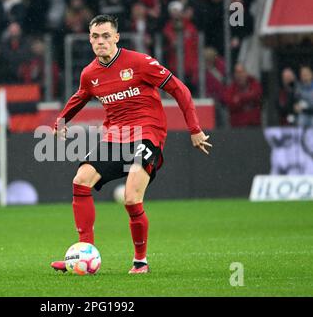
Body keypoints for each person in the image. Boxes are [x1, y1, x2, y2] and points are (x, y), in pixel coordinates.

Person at [50, 15, 211, 274]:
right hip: (115, 136)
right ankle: (85, 252)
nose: (100, 41)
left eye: (105, 36)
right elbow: (80, 96)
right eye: (95, 37)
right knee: (80, 180)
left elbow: (179, 89)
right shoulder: (90, 73)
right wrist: (62, 119)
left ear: (116, 37)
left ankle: (140, 261)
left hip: (147, 133)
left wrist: (194, 129)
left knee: (131, 198)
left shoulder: (139, 62)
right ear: (89, 39)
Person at [222, 63, 263, 127]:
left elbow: (257, 95)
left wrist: (240, 98)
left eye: (241, 72)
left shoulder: (254, 83)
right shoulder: (231, 88)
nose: (239, 75)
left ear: (246, 73)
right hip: (237, 126)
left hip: (254, 125)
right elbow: (229, 103)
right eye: (237, 73)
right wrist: (249, 98)